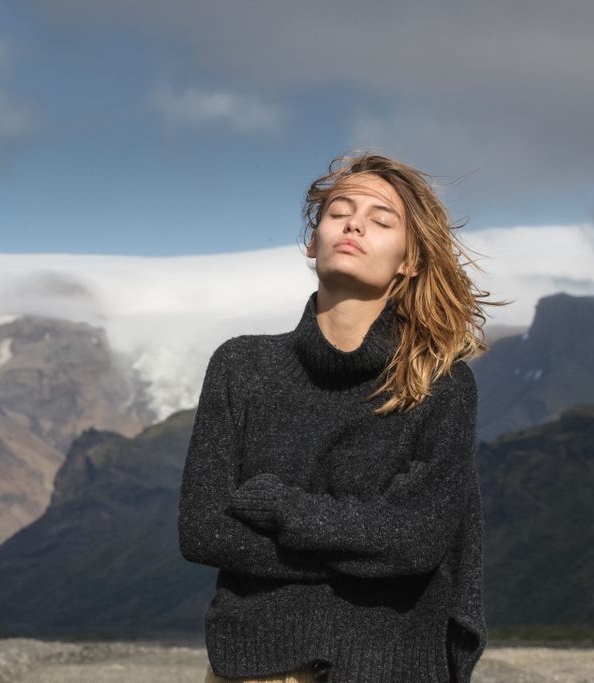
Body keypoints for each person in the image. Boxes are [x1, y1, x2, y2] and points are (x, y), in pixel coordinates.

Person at [178, 151, 509, 682]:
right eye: (339, 213)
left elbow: (417, 543)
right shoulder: (241, 366)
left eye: (381, 220)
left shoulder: (439, 384)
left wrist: (279, 507)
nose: (354, 224)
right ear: (312, 242)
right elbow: (203, 531)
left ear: (410, 261)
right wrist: (369, 554)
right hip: (259, 668)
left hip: (390, 668)